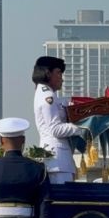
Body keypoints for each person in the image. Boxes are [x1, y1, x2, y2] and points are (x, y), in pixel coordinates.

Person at [33, 56, 85, 184]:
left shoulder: (47, 94)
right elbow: (55, 129)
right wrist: (83, 126)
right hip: (57, 160)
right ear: (48, 73)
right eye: (59, 73)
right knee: (62, 195)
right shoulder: (48, 96)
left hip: (56, 160)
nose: (62, 78)